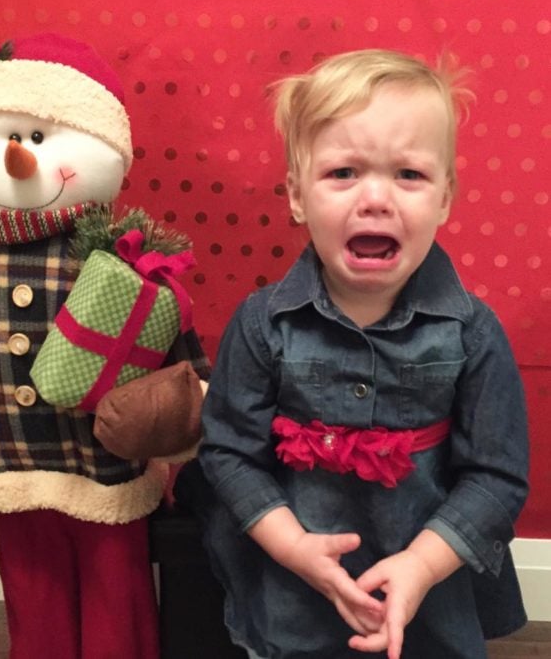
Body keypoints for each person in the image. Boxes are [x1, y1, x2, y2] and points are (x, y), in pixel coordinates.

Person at [176, 49, 529, 659]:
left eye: (409, 175)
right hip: (298, 579)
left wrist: (421, 566)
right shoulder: (263, 326)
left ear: (445, 198)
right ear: (296, 196)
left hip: (431, 580)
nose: (375, 199)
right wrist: (292, 548)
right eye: (343, 173)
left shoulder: (473, 333)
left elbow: (496, 478)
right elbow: (230, 455)